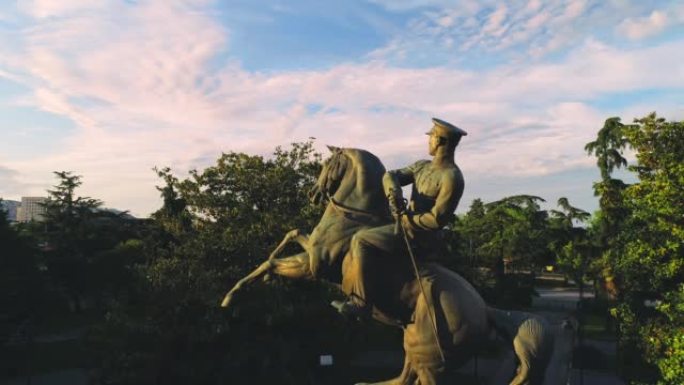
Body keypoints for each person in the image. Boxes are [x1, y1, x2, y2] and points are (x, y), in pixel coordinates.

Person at [332, 117, 467, 319]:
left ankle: (361, 302)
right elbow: (391, 175)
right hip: (404, 224)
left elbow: (438, 219)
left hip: (421, 236)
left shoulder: (452, 177)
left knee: (360, 239)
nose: (428, 141)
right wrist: (393, 191)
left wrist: (407, 220)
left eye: (431, 138)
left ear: (439, 141)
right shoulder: (422, 166)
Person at [487, 307, 554, 385]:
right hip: (543, 331)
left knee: (527, 373)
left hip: (533, 333)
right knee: (536, 374)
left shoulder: (520, 340)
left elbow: (524, 374)